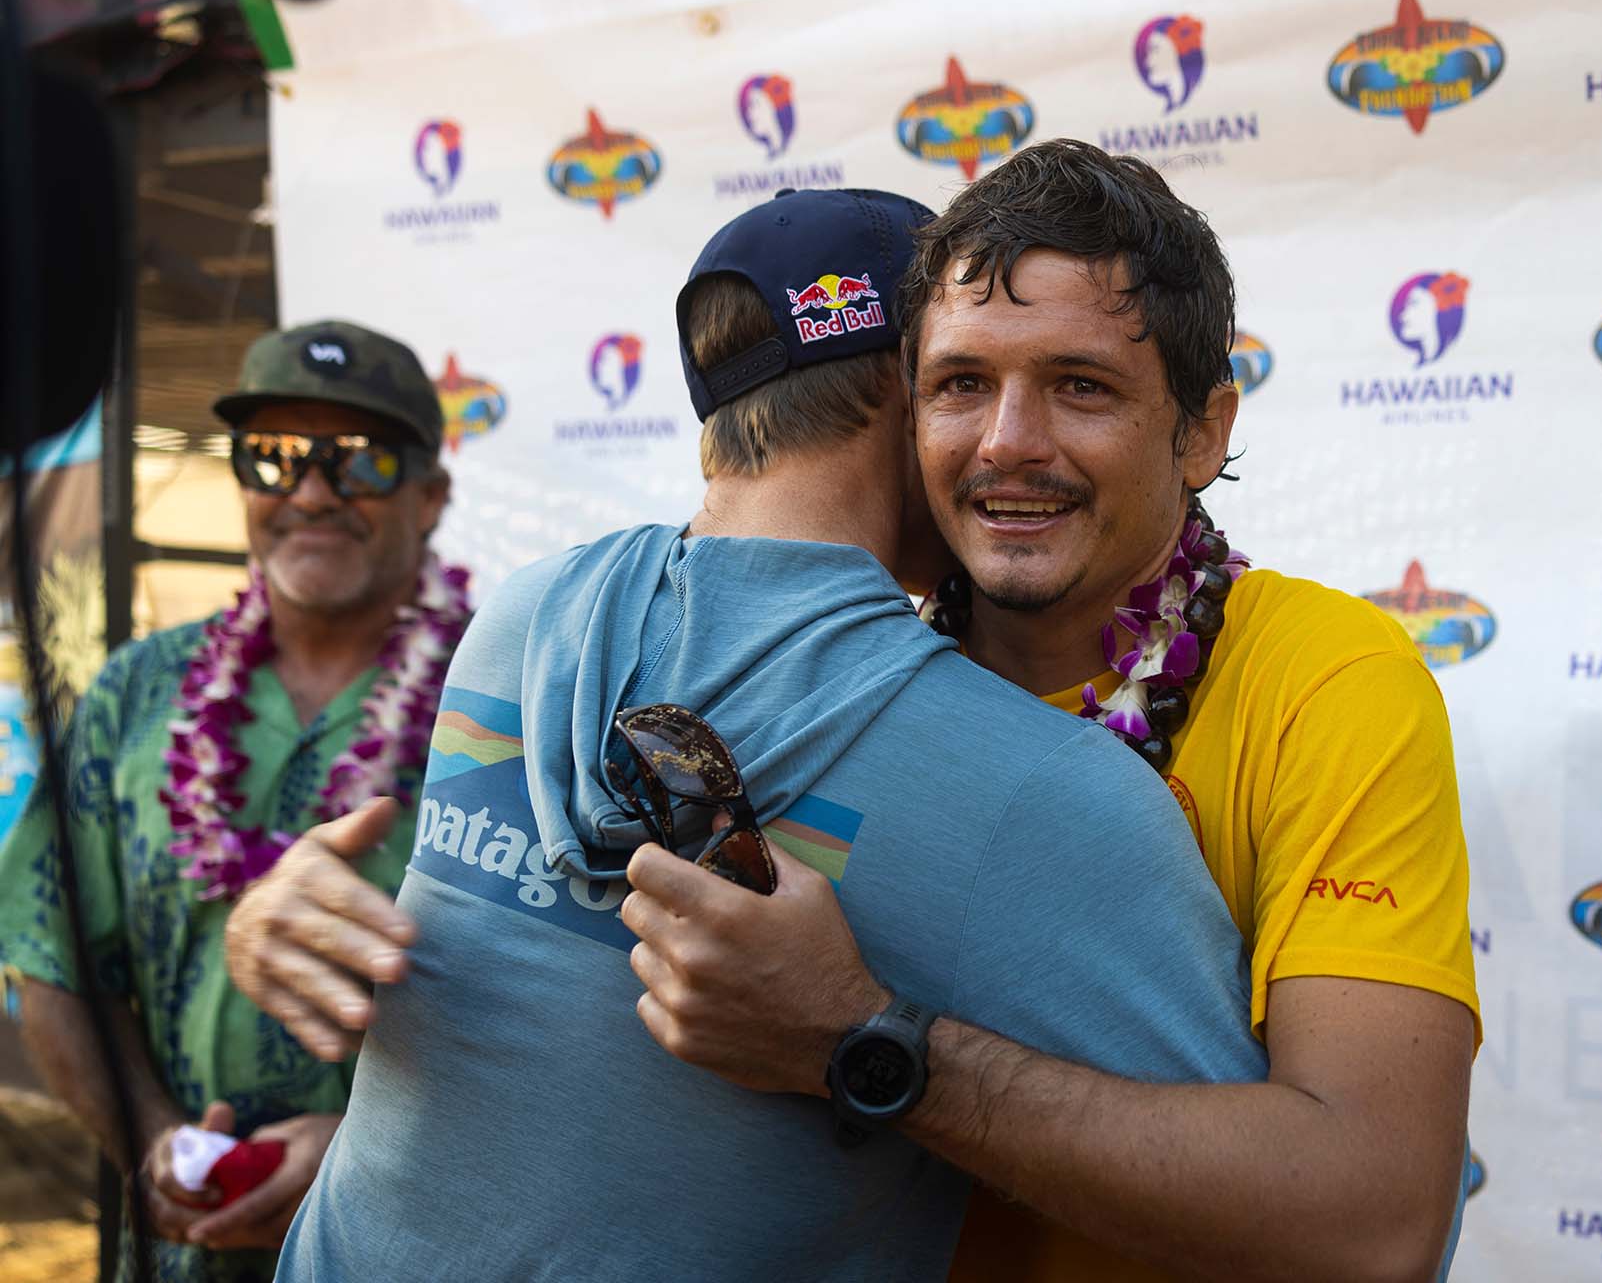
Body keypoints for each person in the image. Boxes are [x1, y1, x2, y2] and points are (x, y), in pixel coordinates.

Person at [230, 145, 1481, 1282]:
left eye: (1080, 387)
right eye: (960, 383)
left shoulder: (1309, 686)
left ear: (1203, 431)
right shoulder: (698, 666)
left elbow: (1369, 1218)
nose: (1008, 442)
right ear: (901, 405)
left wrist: (861, 1040)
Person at [0, 319, 466, 1282]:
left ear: (429, 497)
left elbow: (571, 1021)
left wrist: (369, 1153)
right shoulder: (137, 694)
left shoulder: (507, 708)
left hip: (421, 1245)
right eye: (274, 456)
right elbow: (56, 967)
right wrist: (155, 1144)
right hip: (184, 1256)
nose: (311, 493)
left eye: (362, 461)